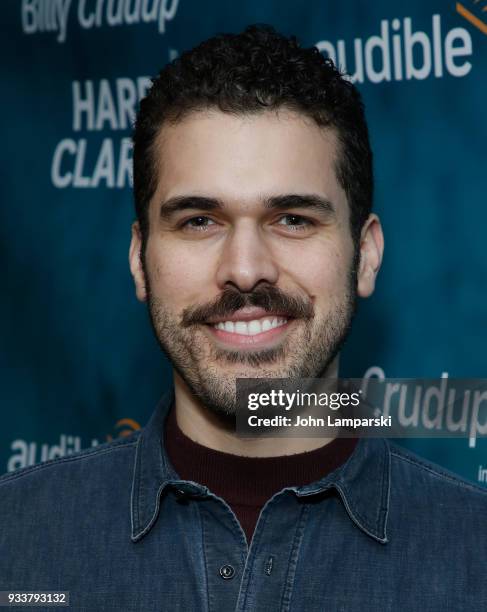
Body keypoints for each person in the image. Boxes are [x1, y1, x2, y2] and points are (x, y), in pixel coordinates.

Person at [1, 24, 485, 612]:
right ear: (138, 261)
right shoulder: (18, 541)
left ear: (368, 256)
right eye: (199, 221)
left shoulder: (472, 556)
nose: (246, 269)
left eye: (293, 219)